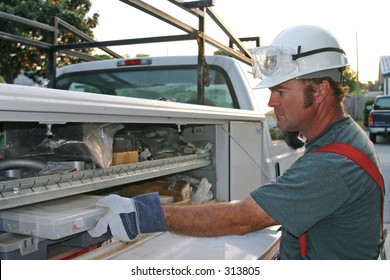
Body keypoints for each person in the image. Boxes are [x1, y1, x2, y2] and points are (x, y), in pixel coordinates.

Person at [88, 25, 384, 260]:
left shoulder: (332, 164)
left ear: (319, 91)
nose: (271, 101)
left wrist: (143, 214)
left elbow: (242, 219)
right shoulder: (341, 138)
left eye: (281, 91)